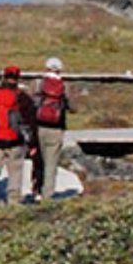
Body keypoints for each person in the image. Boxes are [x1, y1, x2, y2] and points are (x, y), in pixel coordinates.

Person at [0, 65, 38, 203]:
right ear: (18, 78)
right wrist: (32, 143)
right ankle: (13, 199)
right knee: (15, 171)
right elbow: (31, 121)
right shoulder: (22, 97)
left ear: (4, 76)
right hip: (16, 140)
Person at [32, 57, 75, 201]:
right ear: (60, 69)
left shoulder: (38, 83)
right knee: (51, 162)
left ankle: (36, 190)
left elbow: (31, 104)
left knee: (38, 159)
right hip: (56, 128)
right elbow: (73, 108)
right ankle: (47, 194)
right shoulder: (64, 86)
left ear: (46, 68)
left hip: (38, 126)